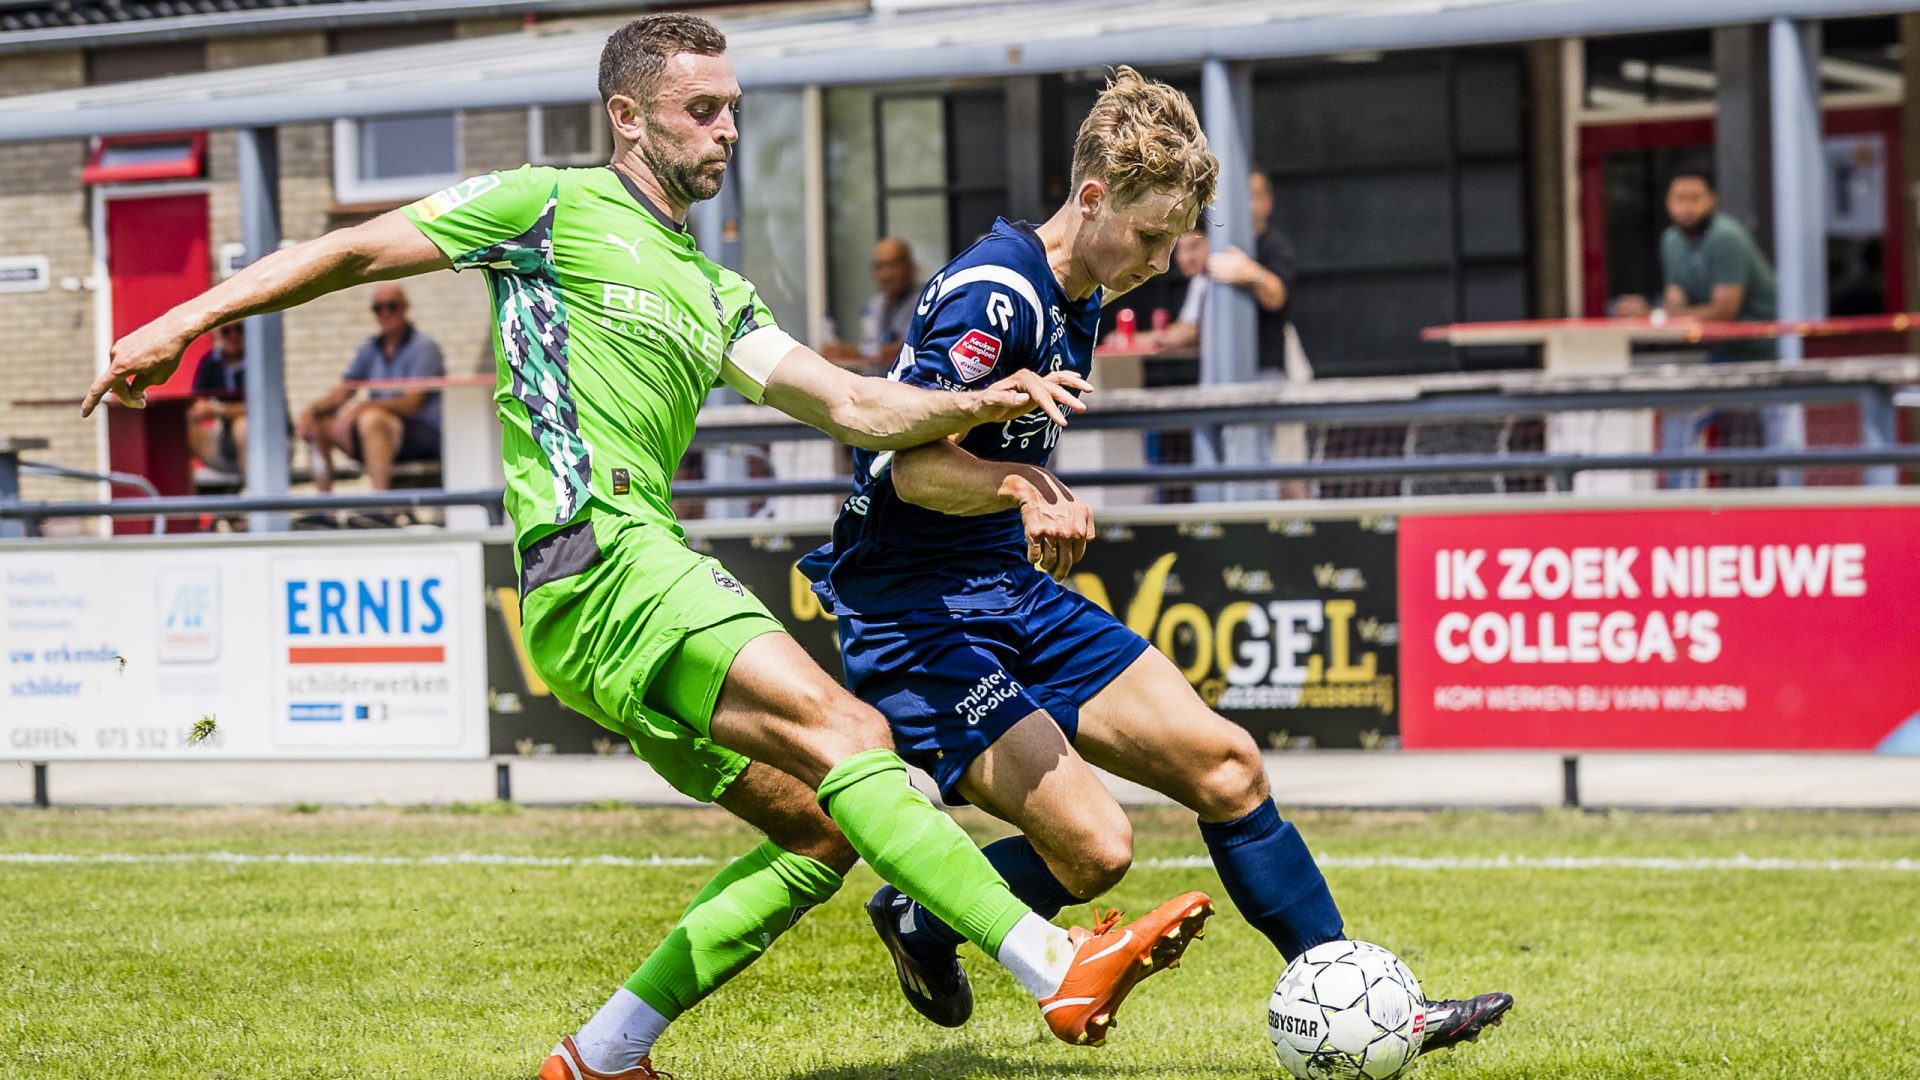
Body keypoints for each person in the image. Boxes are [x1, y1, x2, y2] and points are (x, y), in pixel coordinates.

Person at [83, 15, 1212, 1080]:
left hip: (620, 585)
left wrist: (984, 413)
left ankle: (603, 1052)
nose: (728, 130)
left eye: (734, 110)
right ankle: (1055, 968)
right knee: (858, 733)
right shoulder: (543, 206)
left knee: (823, 829)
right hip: (603, 550)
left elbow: (860, 410)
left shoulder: (715, 290)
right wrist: (179, 322)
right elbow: (351, 254)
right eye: (704, 109)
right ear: (628, 116)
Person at [798, 66, 1514, 1057]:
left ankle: (1369, 1003)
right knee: (1096, 853)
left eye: (1174, 242)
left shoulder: (1085, 290)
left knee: (1227, 765)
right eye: (1146, 237)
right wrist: (1021, 489)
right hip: (917, 614)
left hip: (1007, 585)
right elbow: (909, 463)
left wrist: (1018, 504)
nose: (1159, 262)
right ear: (1093, 197)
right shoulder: (992, 295)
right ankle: (920, 915)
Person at [1615, 167, 1783, 485]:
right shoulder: (1671, 241)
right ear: (1667, 203)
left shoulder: (1725, 236)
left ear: (1712, 200)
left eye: (1695, 198)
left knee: (1783, 429)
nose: (1687, 207)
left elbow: (1724, 311)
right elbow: (1676, 305)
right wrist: (1652, 313)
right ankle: (1683, 505)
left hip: (1769, 351)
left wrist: (1658, 314)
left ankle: (1794, 503)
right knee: (1680, 415)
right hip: (1726, 355)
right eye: (1680, 198)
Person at [295, 284, 445, 494]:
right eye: (378, 308)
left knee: (371, 419)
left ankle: (381, 507)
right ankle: (324, 509)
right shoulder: (370, 348)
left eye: (391, 306)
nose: (384, 313)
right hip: (376, 430)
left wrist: (364, 406)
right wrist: (311, 411)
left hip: (422, 435)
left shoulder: (424, 347)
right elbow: (343, 392)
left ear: (404, 308)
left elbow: (412, 404)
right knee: (317, 424)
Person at [1205, 167, 1298, 376]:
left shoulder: (1275, 246)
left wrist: (1251, 274)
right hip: (1216, 366)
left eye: (1251, 196)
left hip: (1264, 367)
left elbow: (1277, 297)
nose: (1243, 204)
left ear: (1267, 203)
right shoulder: (1213, 244)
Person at [821, 236, 919, 373]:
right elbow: (871, 347)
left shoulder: (925, 302)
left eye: (893, 265)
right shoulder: (875, 305)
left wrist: (854, 352)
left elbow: (906, 349)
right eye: (879, 267)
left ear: (911, 267)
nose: (886, 275)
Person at [186, 322, 249, 477]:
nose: (234, 336)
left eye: (240, 329)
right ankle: (182, 496)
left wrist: (217, 410)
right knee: (181, 429)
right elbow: (196, 402)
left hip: (266, 446)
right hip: (226, 446)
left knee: (242, 426)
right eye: (227, 331)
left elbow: (262, 408)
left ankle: (255, 496)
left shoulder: (260, 361)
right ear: (216, 335)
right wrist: (197, 411)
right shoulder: (211, 362)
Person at [1135, 229, 1207, 351]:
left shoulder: (1211, 280)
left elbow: (1188, 333)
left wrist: (1133, 340)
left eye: (1193, 247)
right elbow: (1184, 326)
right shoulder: (1199, 280)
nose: (1186, 257)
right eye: (1179, 250)